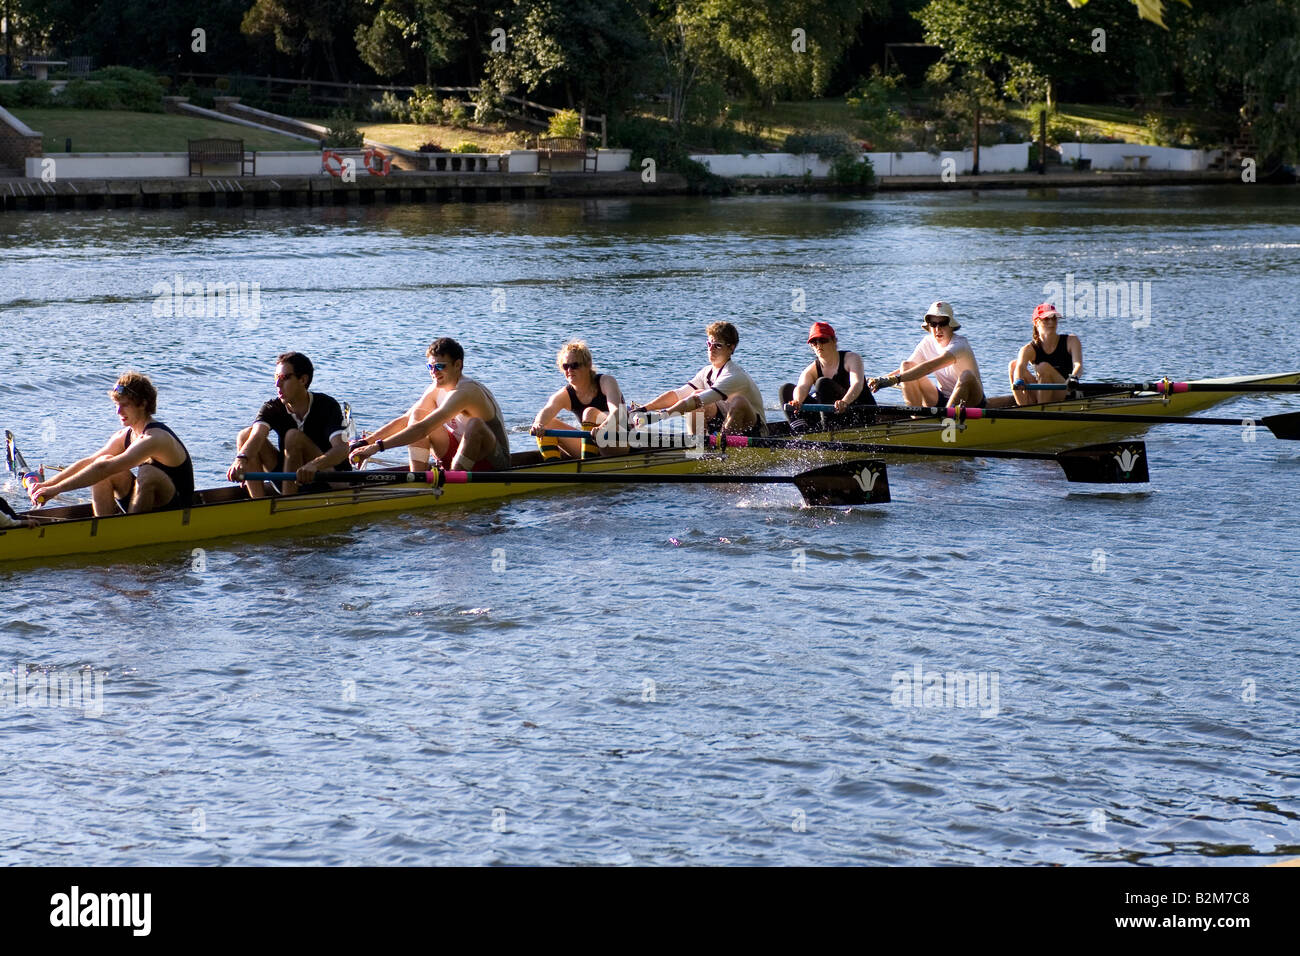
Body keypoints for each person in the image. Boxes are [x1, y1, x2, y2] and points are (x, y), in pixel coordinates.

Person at [29, 371, 194, 517]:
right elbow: (91, 463)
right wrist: (46, 485)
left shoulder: (155, 438)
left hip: (177, 507)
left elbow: (104, 469)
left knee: (147, 472)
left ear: (143, 404)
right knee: (102, 461)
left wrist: (56, 490)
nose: (118, 412)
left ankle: (131, 530)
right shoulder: (124, 435)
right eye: (116, 405)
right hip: (147, 502)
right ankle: (104, 526)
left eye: (125, 405)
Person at [350, 337, 512, 472]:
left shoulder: (467, 391)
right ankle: (417, 479)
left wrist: (378, 447)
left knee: (475, 424)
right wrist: (365, 443)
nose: (434, 372)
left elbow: (423, 429)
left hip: (494, 461)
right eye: (431, 366)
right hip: (460, 455)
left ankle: (453, 480)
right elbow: (406, 420)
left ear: (458, 365)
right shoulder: (436, 387)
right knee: (417, 415)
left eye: (440, 366)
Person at [226, 352, 352, 498]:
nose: (277, 384)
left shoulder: (327, 405)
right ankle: (259, 503)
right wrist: (240, 459)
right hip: (292, 477)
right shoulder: (271, 408)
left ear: (303, 380)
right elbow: (257, 435)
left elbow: (342, 448)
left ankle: (286, 503)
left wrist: (314, 465)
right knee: (245, 435)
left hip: (329, 479)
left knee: (293, 436)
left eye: (284, 378)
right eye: (276, 378)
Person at [629, 321, 766, 437]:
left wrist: (659, 417)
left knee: (737, 401)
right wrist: (644, 409)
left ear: (731, 348)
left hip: (754, 431)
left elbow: (696, 401)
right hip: (725, 422)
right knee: (694, 395)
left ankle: (722, 448)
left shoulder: (734, 375)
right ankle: (697, 445)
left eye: (717, 345)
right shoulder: (706, 372)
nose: (711, 349)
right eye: (709, 344)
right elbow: (678, 395)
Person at [867, 301, 986, 408]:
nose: (938, 329)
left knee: (966, 375)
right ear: (929, 326)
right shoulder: (927, 342)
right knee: (906, 365)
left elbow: (929, 367)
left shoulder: (960, 345)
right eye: (933, 324)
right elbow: (907, 371)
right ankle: (915, 418)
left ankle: (946, 420)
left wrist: (893, 380)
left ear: (951, 326)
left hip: (972, 400)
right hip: (942, 399)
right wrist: (880, 379)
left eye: (943, 323)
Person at [529, 340, 627, 459]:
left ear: (588, 365)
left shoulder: (606, 382)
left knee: (590, 413)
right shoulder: (565, 394)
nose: (569, 370)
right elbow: (546, 411)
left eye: (575, 365)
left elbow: (617, 413)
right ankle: (554, 469)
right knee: (547, 423)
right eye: (566, 366)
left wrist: (603, 427)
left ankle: (587, 468)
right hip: (593, 442)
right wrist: (538, 425)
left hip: (620, 441)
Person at [779, 321, 876, 431]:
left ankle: (827, 432)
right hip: (833, 414)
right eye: (814, 342)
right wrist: (797, 401)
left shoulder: (852, 358)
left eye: (823, 340)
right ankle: (800, 431)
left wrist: (844, 402)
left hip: (859, 413)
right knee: (786, 389)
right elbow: (802, 387)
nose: (819, 345)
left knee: (822, 383)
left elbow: (857, 384)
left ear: (834, 341)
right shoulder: (811, 369)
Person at [1010, 303, 1083, 405]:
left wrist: (1073, 377)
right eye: (1046, 319)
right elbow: (1020, 367)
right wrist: (1018, 380)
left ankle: (1040, 411)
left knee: (1043, 367)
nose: (1051, 322)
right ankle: (1024, 407)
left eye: (1054, 318)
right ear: (1036, 322)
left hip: (1065, 389)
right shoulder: (1028, 349)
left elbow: (1078, 365)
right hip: (1044, 390)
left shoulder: (1071, 340)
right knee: (1013, 365)